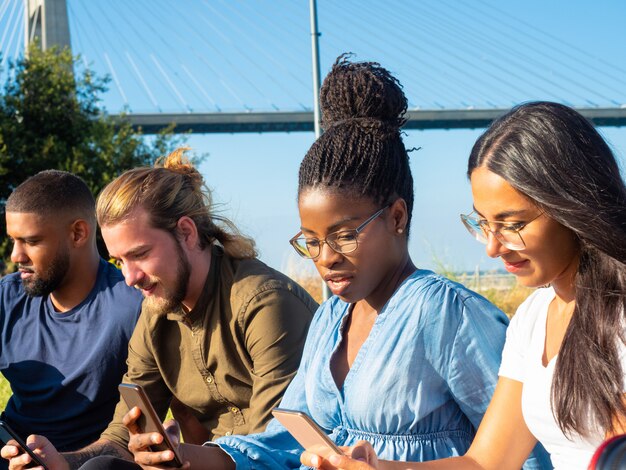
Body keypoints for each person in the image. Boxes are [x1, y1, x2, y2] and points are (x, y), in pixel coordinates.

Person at [72, 56, 550, 470]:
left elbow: (525, 454)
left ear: (398, 216)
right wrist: (198, 459)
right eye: (311, 241)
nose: (325, 259)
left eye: (344, 235)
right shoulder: (331, 318)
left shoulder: (447, 315)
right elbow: (288, 438)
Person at [305, 101, 626, 470]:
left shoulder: (617, 314)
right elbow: (487, 462)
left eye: (513, 224)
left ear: (572, 206)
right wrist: (378, 468)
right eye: (484, 224)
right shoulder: (534, 318)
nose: (493, 247)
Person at [1, 150, 317, 469]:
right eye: (119, 261)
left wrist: (182, 457)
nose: (130, 277)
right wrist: (62, 462)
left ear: (186, 232)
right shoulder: (155, 312)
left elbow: (272, 450)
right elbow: (122, 437)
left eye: (140, 254)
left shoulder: (263, 303)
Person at [0, 170, 143, 465]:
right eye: (13, 240)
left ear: (78, 233)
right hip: (11, 452)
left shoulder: (132, 307)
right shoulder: (6, 297)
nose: (16, 255)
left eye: (31, 241)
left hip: (90, 461)